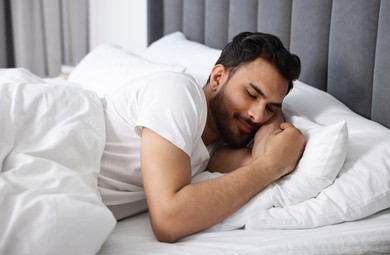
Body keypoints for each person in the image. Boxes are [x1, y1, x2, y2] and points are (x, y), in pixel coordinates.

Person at [98, 32, 305, 243]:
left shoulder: (215, 150)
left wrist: (276, 117)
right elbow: (168, 221)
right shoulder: (179, 92)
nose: (258, 116)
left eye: (270, 108)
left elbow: (260, 159)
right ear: (217, 77)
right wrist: (272, 166)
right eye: (251, 95)